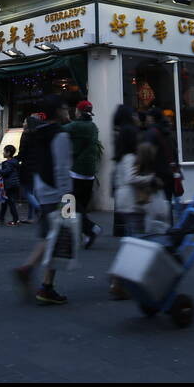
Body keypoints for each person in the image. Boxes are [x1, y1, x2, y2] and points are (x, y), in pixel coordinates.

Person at [12, 96, 75, 306]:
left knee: (49, 236)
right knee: (57, 238)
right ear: (58, 111)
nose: (68, 111)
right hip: (57, 192)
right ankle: (45, 285)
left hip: (42, 188)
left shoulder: (38, 133)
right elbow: (62, 168)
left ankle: (30, 270)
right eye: (65, 107)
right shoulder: (60, 135)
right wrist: (67, 197)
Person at [107, 139, 165, 300]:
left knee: (132, 240)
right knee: (135, 242)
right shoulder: (130, 158)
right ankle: (119, 280)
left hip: (128, 203)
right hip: (131, 203)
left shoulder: (125, 158)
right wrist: (150, 180)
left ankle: (119, 280)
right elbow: (131, 179)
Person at [66, 99, 103, 248]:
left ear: (79, 111)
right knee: (80, 205)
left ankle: (90, 228)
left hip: (77, 171)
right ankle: (84, 234)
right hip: (89, 173)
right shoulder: (93, 126)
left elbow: (60, 130)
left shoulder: (76, 126)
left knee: (70, 203)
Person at [111, 105, 140, 236]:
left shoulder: (119, 135)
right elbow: (131, 177)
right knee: (134, 232)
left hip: (122, 195)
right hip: (131, 197)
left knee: (131, 230)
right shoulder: (130, 157)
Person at [0, 146, 23, 225]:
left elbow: (6, 172)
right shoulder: (14, 162)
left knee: (11, 202)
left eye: (4, 151)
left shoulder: (9, 163)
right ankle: (1, 217)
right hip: (14, 184)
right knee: (5, 201)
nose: (3, 153)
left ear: (8, 153)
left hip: (10, 185)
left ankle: (15, 220)